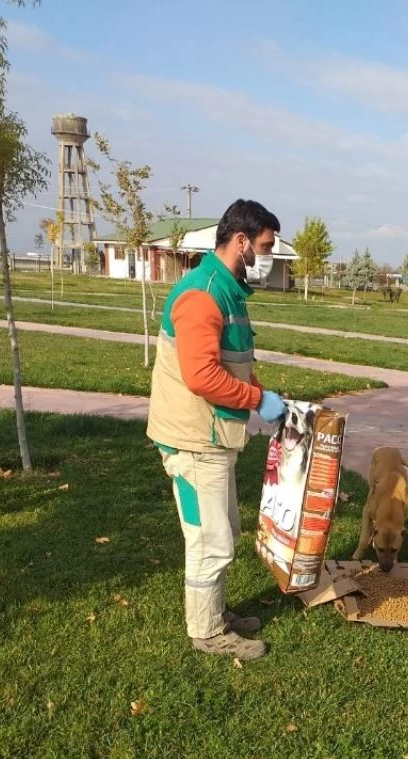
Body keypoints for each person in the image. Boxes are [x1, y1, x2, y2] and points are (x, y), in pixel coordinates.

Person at [146, 199, 287, 661]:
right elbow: (202, 377)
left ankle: (217, 612)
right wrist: (256, 401)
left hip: (214, 439)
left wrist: (262, 394)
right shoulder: (203, 294)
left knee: (223, 529)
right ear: (242, 241)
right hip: (193, 440)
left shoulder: (229, 291)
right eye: (265, 246)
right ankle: (206, 631)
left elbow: (236, 367)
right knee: (209, 539)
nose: (268, 256)